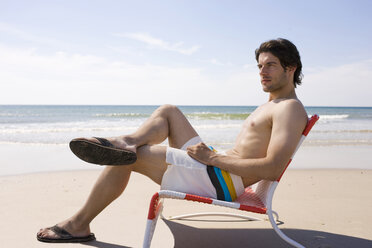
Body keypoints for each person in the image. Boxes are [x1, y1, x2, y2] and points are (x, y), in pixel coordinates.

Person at [37, 38, 308, 243]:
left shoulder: (289, 109)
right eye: (260, 66)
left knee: (128, 159)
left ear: (290, 68)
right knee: (169, 111)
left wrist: (211, 158)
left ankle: (79, 224)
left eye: (270, 65)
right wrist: (212, 157)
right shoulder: (274, 104)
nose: (262, 71)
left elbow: (272, 168)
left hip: (222, 180)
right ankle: (126, 141)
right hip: (219, 170)